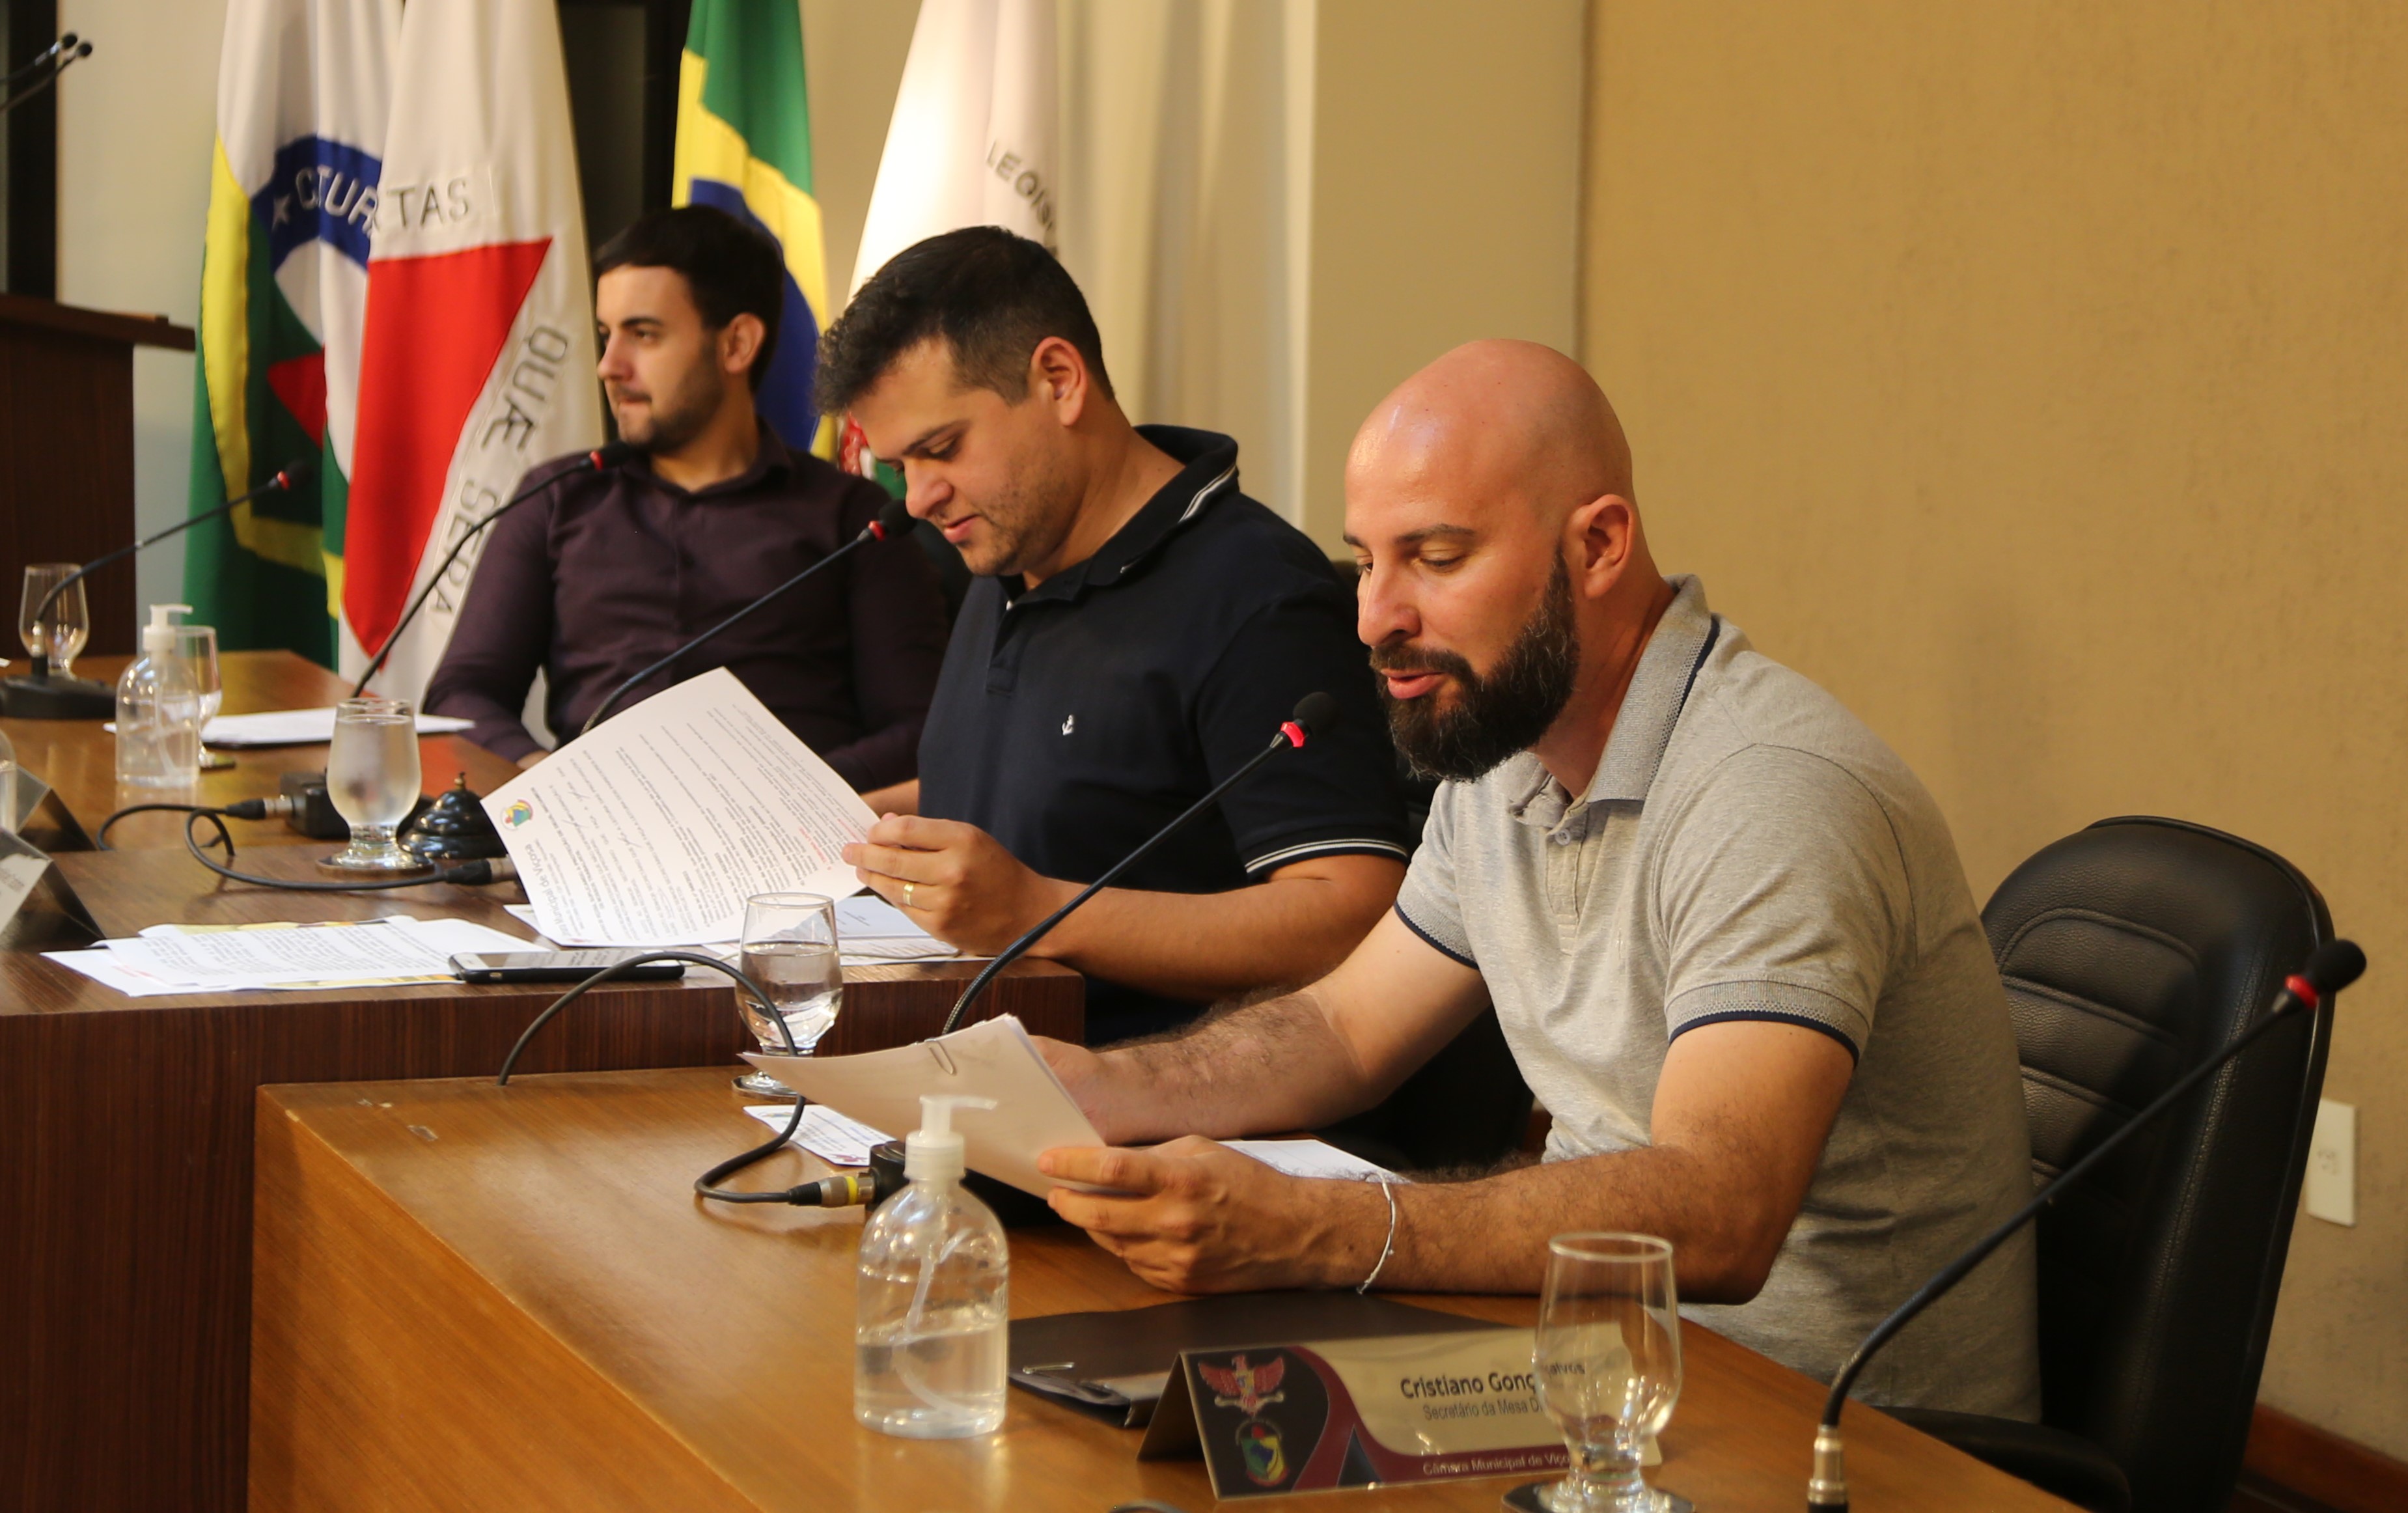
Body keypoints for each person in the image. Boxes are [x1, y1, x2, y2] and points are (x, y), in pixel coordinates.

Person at [1031, 340, 2043, 1417]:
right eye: (1366, 561)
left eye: (1434, 557)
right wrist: (1094, 1089)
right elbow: (1342, 1030)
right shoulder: (1506, 755)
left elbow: (1720, 1208)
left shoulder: (1767, 790)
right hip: (1592, 1366)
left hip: (1830, 1433)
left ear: (1598, 544)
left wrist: (1316, 1228)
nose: (1373, 617)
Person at [820, 228, 1413, 1044]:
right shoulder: (1006, 560)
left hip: (1155, 1093)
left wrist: (1040, 912)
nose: (919, 498)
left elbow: (1352, 908)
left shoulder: (1256, 594)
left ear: (1059, 381)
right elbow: (1048, 786)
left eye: (942, 449)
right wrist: (843, 820)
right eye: (899, 467)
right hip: (960, 1062)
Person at [425, 206, 948, 790]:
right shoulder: (555, 498)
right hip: (593, 823)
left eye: (643, 334)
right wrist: (545, 776)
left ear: (736, 345)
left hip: (786, 834)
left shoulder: (855, 518)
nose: (608, 367)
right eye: (607, 335)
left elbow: (921, 731)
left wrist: (787, 795)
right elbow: (460, 695)